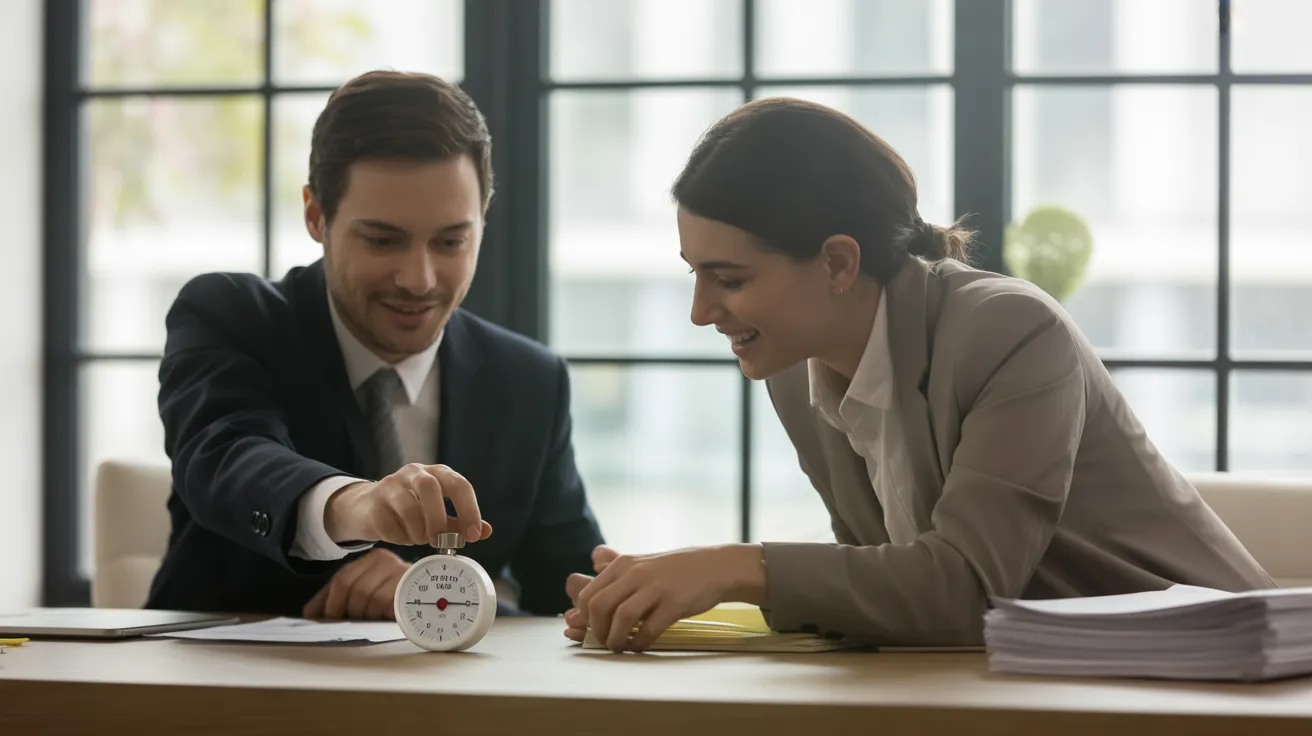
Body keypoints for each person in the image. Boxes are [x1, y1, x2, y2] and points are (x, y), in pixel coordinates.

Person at [563, 97, 1275, 652]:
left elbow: (966, 588)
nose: (699, 312)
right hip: (1035, 681)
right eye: (695, 275)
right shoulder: (795, 370)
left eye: (730, 278)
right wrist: (668, 593)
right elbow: (885, 584)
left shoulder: (1011, 329)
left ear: (839, 263)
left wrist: (731, 567)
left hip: (1215, 678)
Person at [147, 70, 604, 620]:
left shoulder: (529, 379)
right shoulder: (231, 316)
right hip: (217, 692)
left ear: (483, 220)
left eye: (450, 241)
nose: (420, 279)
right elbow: (227, 456)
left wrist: (433, 599)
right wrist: (356, 505)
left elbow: (569, 591)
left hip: (453, 701)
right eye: (384, 240)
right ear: (316, 215)